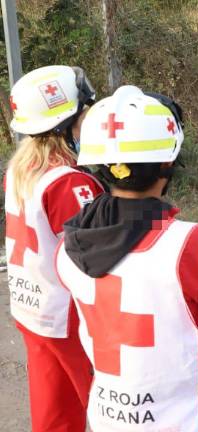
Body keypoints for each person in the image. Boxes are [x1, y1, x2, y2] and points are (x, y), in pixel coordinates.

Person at [54, 86, 198, 431]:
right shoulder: (185, 243)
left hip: (108, 417)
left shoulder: (68, 246)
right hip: (185, 418)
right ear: (167, 162)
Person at [3, 65, 102, 432]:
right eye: (84, 112)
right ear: (65, 123)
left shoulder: (21, 168)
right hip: (68, 316)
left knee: (55, 413)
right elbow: (96, 258)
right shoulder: (68, 182)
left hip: (33, 309)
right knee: (115, 406)